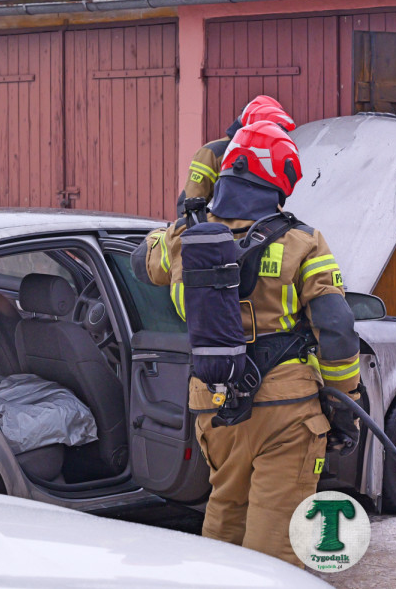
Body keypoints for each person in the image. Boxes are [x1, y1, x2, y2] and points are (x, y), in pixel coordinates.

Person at [138, 121, 360, 566]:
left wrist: (192, 204)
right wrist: (344, 404)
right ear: (277, 181)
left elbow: (144, 263)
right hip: (286, 408)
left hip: (213, 402)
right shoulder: (303, 241)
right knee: (275, 545)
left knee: (225, 517)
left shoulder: (188, 238)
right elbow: (335, 328)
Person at [178, 95, 296, 212]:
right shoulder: (212, 153)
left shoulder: (269, 154)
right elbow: (189, 204)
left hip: (260, 225)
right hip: (223, 226)